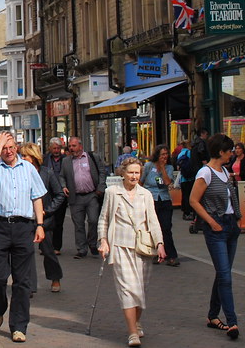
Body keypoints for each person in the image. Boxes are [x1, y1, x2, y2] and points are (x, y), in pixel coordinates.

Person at [0, 130, 46, 344]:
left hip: (23, 227)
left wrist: (39, 224)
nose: (8, 152)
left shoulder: (28, 168)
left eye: (11, 147)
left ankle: (18, 326)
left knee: (22, 281)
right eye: (4, 148)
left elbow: (37, 197)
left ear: (17, 148)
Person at [97, 158, 165, 347]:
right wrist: (103, 241)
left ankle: (135, 320)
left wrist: (159, 243)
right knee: (128, 290)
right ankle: (132, 333)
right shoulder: (112, 193)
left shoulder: (146, 194)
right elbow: (104, 219)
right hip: (119, 246)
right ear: (123, 173)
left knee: (140, 292)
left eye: (137, 173)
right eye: (131, 172)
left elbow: (153, 220)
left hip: (143, 247)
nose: (134, 176)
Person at [189, 133, 242, 341]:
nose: (231, 154)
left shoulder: (225, 171)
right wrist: (211, 222)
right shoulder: (206, 172)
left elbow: (232, 198)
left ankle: (212, 316)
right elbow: (194, 200)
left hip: (230, 226)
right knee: (226, 276)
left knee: (223, 273)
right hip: (217, 228)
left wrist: (238, 220)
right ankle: (232, 322)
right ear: (221, 152)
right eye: (229, 151)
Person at [19, 143, 65, 294]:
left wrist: (47, 211)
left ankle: (55, 278)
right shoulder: (19, 173)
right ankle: (30, 286)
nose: (22, 158)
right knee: (26, 253)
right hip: (25, 219)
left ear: (33, 157)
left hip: (44, 220)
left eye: (25, 156)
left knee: (48, 251)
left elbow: (59, 195)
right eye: (22, 155)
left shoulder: (47, 173)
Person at [61, 136, 106, 259]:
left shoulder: (92, 157)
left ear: (80, 146)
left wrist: (100, 188)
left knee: (93, 220)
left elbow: (102, 172)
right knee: (78, 224)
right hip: (75, 197)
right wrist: (64, 186)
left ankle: (92, 243)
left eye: (73, 146)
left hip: (92, 195)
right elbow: (61, 176)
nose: (71, 148)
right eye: (69, 146)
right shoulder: (66, 161)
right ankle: (81, 249)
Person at [142, 146, 179, 267]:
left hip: (164, 199)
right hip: (150, 199)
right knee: (152, 227)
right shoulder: (148, 166)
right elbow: (141, 182)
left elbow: (167, 182)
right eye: (162, 154)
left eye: (166, 154)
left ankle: (171, 255)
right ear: (157, 155)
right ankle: (156, 253)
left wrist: (163, 168)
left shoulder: (169, 167)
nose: (165, 156)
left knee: (166, 227)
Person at [44, 137, 68, 255]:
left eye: (58, 148)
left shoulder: (66, 160)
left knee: (59, 222)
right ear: (50, 148)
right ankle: (44, 245)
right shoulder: (44, 159)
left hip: (61, 194)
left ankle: (56, 247)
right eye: (54, 148)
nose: (56, 150)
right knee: (45, 220)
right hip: (47, 193)